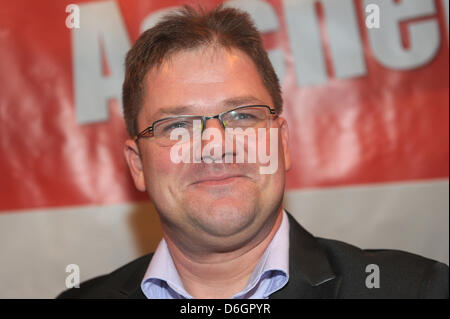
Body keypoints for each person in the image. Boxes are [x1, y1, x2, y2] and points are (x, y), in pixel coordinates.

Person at [58, 5, 448, 299]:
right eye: (178, 125)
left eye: (242, 116)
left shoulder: (417, 289)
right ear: (138, 165)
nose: (215, 145)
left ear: (282, 142)